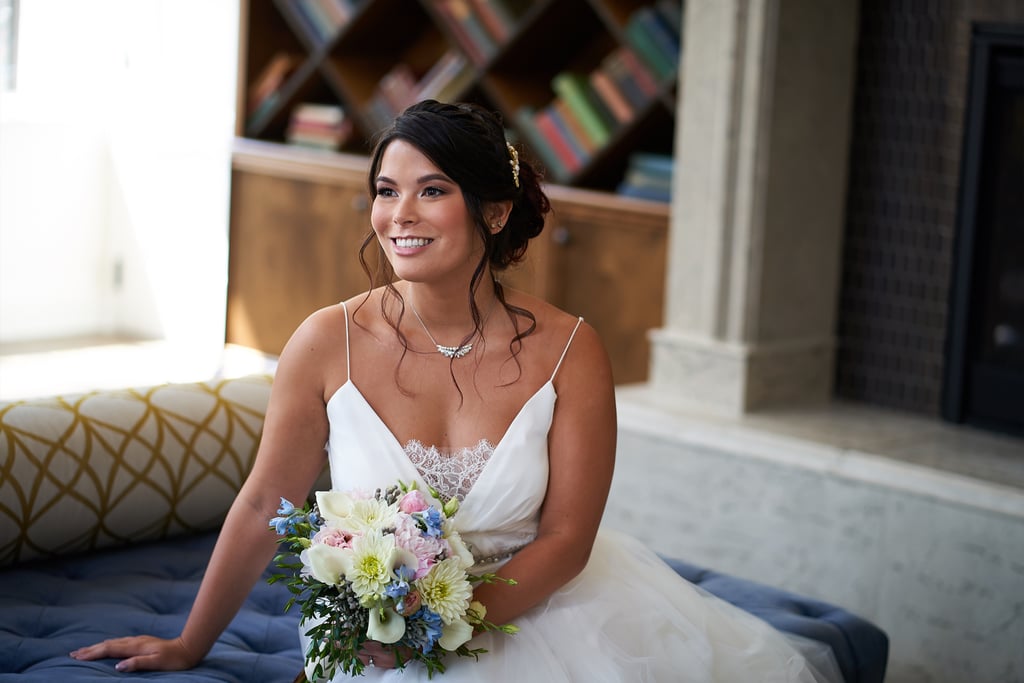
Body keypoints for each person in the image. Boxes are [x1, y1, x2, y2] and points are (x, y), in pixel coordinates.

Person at [71, 100, 840, 681]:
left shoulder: (572, 349)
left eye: (431, 190)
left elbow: (567, 540)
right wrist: (189, 642)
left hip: (545, 613)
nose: (398, 215)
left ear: (494, 211)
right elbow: (261, 502)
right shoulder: (323, 342)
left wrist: (444, 623)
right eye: (385, 189)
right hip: (372, 639)